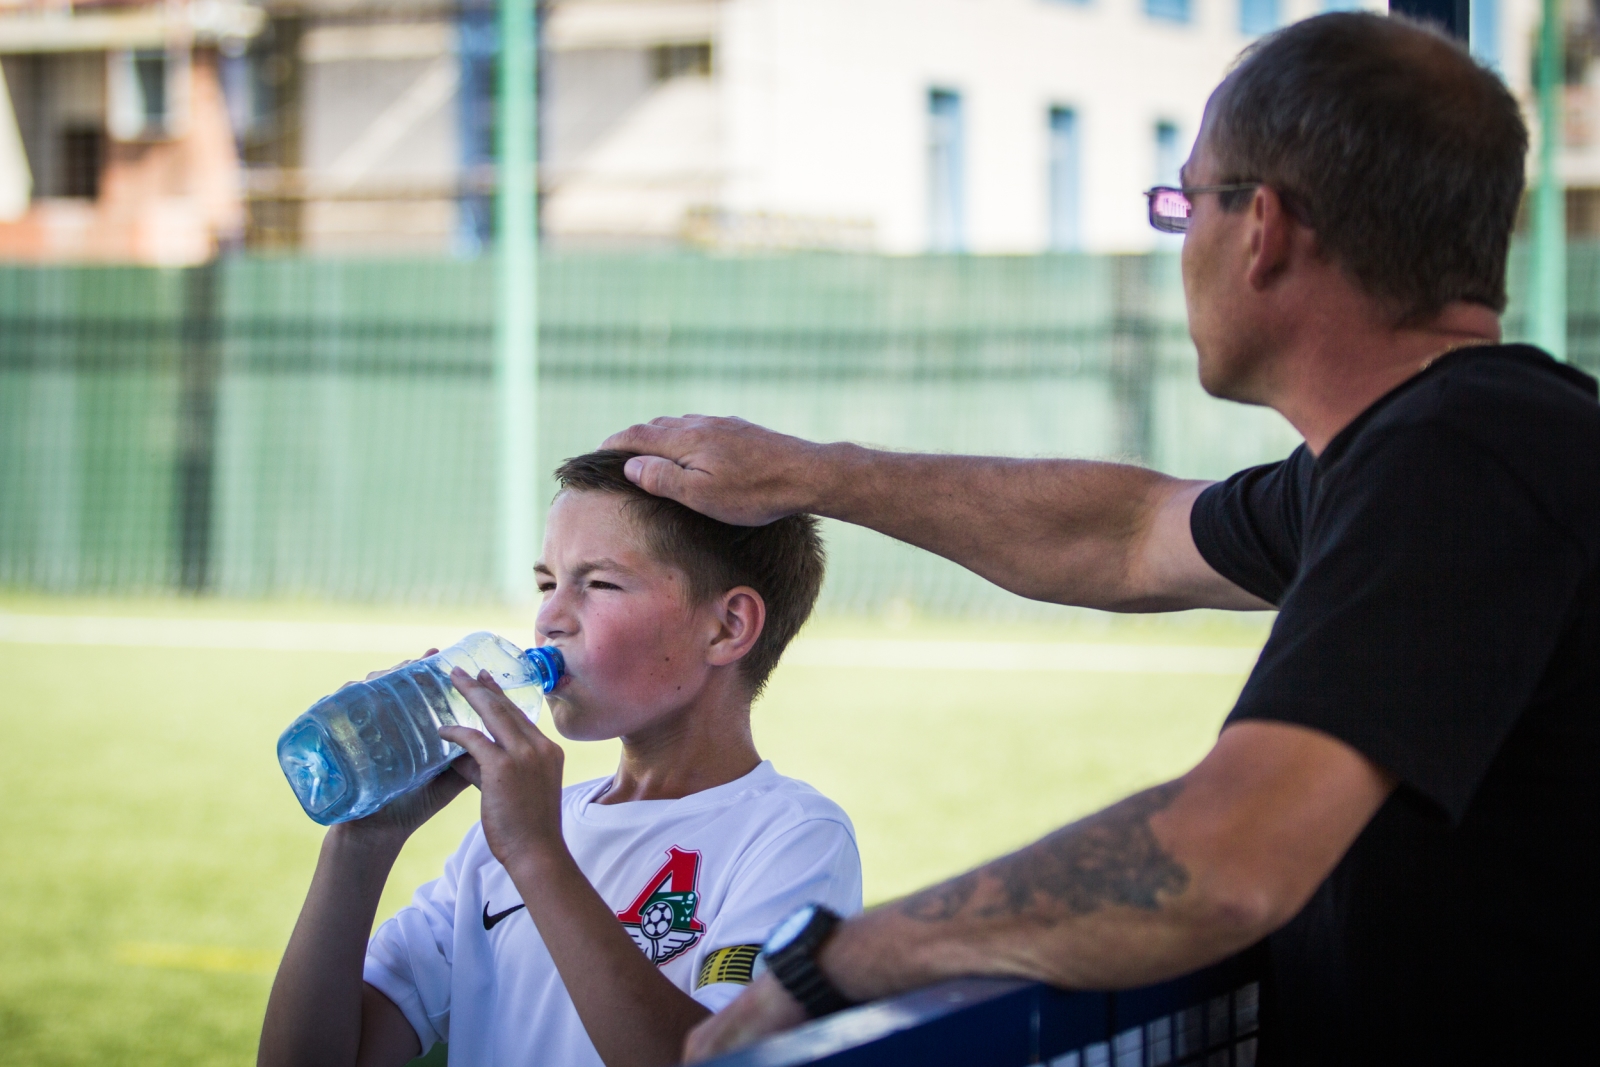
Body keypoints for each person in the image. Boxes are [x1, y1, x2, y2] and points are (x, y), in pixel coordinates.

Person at [602, 13, 1600, 1064]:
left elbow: (1222, 857)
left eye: (1185, 203)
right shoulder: (1426, 458)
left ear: (1260, 227)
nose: (1183, 242)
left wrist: (838, 959)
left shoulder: (1460, 459)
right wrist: (814, 474)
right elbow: (1123, 533)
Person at [256, 451, 862, 1067]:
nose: (548, 619)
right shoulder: (514, 832)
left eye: (597, 584)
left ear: (728, 627)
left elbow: (715, 1058)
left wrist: (536, 853)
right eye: (548, 583)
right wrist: (361, 845)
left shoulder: (793, 836)